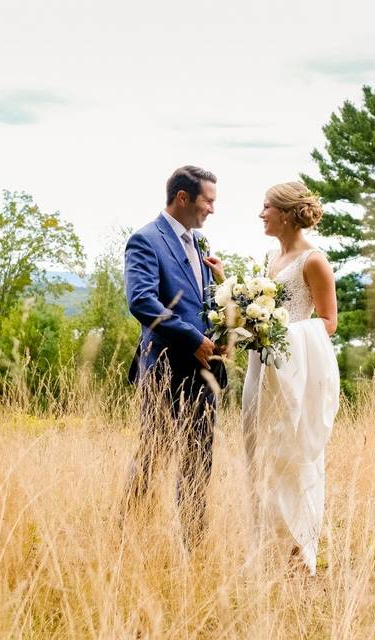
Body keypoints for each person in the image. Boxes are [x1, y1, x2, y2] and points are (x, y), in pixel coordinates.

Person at [206, 181, 339, 575]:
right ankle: (268, 549)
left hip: (293, 369)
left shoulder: (314, 260)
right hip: (261, 368)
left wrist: (278, 332)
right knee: (259, 452)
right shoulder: (271, 258)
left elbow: (328, 323)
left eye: (266, 207)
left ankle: (298, 554)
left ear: (285, 213)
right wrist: (226, 285)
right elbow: (258, 310)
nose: (260, 214)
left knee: (290, 455)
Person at [123, 165, 227, 545]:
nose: (212, 209)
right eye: (208, 201)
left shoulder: (198, 244)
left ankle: (193, 548)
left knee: (199, 461)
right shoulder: (145, 240)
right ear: (183, 198)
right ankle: (126, 539)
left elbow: (200, 304)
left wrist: (220, 331)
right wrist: (193, 339)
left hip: (204, 373)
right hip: (164, 369)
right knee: (152, 458)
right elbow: (142, 301)